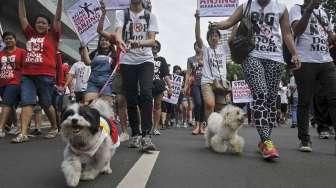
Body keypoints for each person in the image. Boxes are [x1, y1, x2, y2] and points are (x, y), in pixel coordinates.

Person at [211, 0, 300, 160]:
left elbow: (287, 33)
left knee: (271, 102)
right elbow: (230, 22)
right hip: (252, 55)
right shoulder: (246, 6)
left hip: (275, 59)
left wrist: (294, 52)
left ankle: (263, 141)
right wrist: (218, 25)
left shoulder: (281, 7)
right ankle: (267, 142)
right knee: (260, 95)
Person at [13, 0, 63, 143]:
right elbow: (22, 17)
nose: (40, 24)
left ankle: (54, 127)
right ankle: (23, 133)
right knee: (27, 102)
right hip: (27, 75)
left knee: (46, 103)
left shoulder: (53, 35)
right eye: (38, 22)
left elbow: (58, 18)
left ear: (48, 26)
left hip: (46, 76)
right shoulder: (30, 34)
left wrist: (60, 2)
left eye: (43, 23)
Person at [289, 0, 336, 152]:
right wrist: (308, 10)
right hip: (305, 61)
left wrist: (332, 36)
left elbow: (330, 35)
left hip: (326, 61)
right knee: (304, 101)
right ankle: (304, 140)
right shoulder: (296, 9)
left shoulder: (324, 13)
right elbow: (297, 31)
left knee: (334, 97)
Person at [115, 0, 159, 151]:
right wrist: (120, 41)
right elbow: (118, 34)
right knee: (131, 97)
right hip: (127, 60)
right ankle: (135, 134)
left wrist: (139, 43)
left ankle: (146, 136)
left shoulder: (150, 16)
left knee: (146, 93)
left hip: (145, 60)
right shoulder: (121, 14)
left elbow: (153, 41)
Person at [195, 10, 229, 122]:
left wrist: (236, 22)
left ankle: (218, 130)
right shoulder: (205, 49)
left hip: (221, 82)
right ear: (208, 39)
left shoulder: (224, 49)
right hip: (207, 82)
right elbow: (197, 37)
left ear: (219, 38)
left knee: (220, 108)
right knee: (210, 104)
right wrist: (198, 20)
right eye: (211, 36)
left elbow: (233, 36)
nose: (214, 38)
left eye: (216, 36)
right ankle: (210, 128)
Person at [0, 32, 25, 138]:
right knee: (10, 105)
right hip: (2, 83)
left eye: (10, 38)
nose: (8, 40)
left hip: (15, 82)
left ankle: (0, 128)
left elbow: (26, 68)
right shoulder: (1, 53)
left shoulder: (22, 52)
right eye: (6, 39)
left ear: (15, 40)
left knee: (5, 104)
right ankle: (16, 126)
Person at [152, 40, 172, 135]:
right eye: (153, 46)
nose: (154, 47)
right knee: (144, 105)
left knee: (158, 106)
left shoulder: (162, 60)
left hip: (158, 85)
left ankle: (155, 128)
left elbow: (166, 75)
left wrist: (170, 87)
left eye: (156, 46)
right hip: (146, 84)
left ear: (159, 49)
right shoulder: (145, 58)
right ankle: (144, 127)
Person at [184, 42, 205, 135]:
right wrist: (185, 86)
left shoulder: (206, 57)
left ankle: (202, 126)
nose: (198, 47)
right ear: (194, 47)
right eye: (196, 45)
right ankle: (197, 126)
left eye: (200, 45)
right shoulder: (190, 59)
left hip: (205, 83)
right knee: (198, 103)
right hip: (195, 84)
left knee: (204, 104)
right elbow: (188, 73)